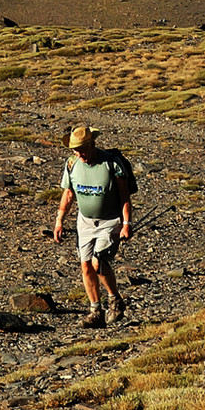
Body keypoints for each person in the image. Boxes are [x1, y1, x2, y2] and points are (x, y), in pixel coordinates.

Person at [53, 125, 136, 328]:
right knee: (85, 265)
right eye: (75, 150)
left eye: (82, 149)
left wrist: (126, 223)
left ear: (93, 144)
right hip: (85, 221)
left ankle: (114, 298)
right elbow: (69, 194)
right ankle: (95, 311)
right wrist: (59, 220)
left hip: (110, 221)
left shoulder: (111, 164)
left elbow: (124, 195)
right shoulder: (72, 164)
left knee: (99, 262)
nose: (80, 154)